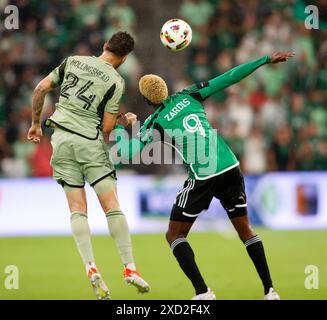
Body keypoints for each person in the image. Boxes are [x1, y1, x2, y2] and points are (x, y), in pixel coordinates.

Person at [115, 51, 295, 300]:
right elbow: (229, 77)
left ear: (146, 99)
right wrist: (264, 60)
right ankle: (270, 290)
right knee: (246, 230)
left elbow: (126, 152)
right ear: (166, 90)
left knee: (174, 235)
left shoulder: (154, 122)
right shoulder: (190, 94)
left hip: (204, 175)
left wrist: (120, 126)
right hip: (230, 166)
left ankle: (203, 292)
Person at [27, 32, 150, 300]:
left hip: (60, 139)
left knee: (77, 210)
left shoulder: (72, 61)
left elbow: (40, 89)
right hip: (89, 144)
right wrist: (123, 121)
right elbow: (106, 128)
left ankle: (90, 267)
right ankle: (129, 268)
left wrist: (36, 123)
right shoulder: (115, 81)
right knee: (112, 206)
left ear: (105, 46)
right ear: (124, 58)